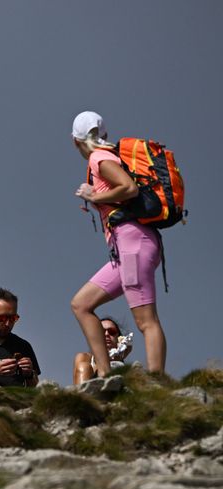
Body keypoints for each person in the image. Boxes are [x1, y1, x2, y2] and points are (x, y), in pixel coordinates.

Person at [69, 111, 167, 379]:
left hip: (133, 243)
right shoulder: (109, 155)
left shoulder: (99, 158)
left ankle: (157, 385)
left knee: (146, 321)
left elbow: (129, 188)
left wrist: (96, 197)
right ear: (104, 134)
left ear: (74, 140)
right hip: (128, 248)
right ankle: (104, 372)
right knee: (81, 304)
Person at [73, 316, 132, 386]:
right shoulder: (84, 358)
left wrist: (120, 355)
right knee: (83, 366)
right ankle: (83, 396)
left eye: (112, 332)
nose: (106, 334)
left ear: (118, 338)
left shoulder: (124, 366)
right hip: (92, 390)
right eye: (101, 331)